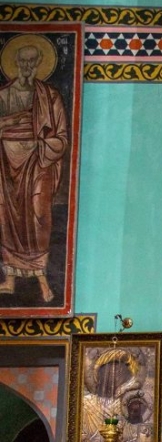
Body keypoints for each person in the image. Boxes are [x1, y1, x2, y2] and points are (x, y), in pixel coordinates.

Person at [0, 37, 68, 303]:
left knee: (39, 217)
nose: (27, 66)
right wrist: (12, 121)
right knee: (7, 218)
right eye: (22, 61)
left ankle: (42, 280)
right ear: (15, 62)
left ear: (39, 63)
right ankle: (10, 278)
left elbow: (61, 139)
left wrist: (38, 144)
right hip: (6, 164)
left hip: (39, 163)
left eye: (32, 61)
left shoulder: (50, 97)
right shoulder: (3, 95)